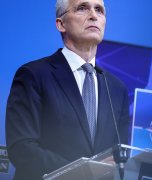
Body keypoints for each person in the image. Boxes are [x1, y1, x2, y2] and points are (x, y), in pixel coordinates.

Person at [5, 0, 130, 179]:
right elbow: (22, 148)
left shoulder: (117, 89)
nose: (94, 15)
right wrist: (85, 172)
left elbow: (118, 158)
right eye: (82, 8)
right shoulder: (33, 75)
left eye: (99, 10)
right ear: (61, 24)